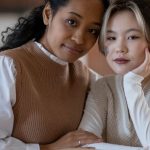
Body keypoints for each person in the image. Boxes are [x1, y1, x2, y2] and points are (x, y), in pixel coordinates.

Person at [0, 0, 109, 150]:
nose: (79, 39)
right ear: (48, 14)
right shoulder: (8, 67)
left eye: (92, 31)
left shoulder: (89, 79)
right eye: (72, 22)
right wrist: (48, 148)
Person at [79, 0, 150, 150]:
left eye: (132, 37)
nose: (119, 48)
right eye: (111, 38)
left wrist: (132, 83)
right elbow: (85, 144)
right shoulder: (103, 87)